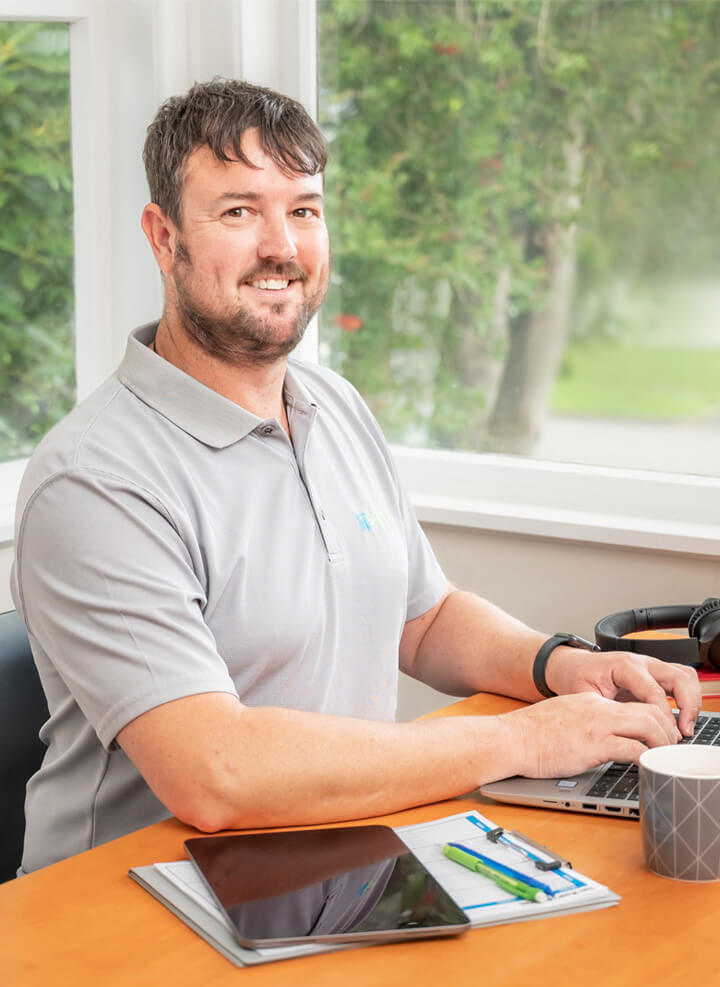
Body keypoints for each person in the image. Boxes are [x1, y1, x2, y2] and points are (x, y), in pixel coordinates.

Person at [11, 79, 700, 875]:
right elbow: (215, 773)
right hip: (134, 913)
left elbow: (423, 617)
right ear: (163, 237)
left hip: (336, 863)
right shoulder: (95, 479)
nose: (283, 246)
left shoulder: (330, 404)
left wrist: (564, 665)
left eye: (303, 209)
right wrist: (519, 739)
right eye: (239, 211)